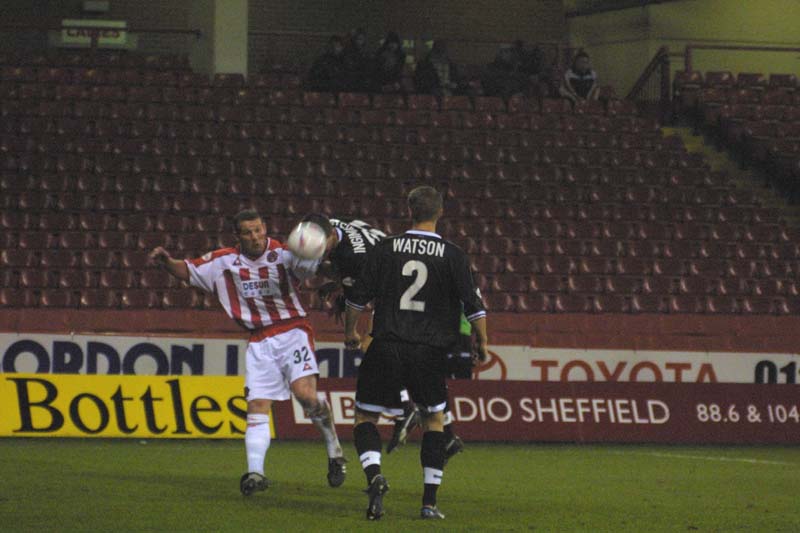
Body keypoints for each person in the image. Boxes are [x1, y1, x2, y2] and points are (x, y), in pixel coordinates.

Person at [148, 209, 347, 496]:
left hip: (292, 330)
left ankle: (334, 450)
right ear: (237, 236)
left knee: (304, 394)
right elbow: (189, 270)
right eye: (248, 232)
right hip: (259, 339)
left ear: (265, 228)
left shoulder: (285, 253)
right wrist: (167, 262)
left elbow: (318, 268)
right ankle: (255, 472)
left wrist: (330, 265)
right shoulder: (222, 261)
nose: (255, 236)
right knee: (257, 405)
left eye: (258, 230)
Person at [344, 186, 489, 521]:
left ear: (409, 211)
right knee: (434, 420)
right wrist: (481, 341)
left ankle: (375, 477)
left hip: (385, 344)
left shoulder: (385, 248)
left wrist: (351, 331)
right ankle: (428, 503)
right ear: (439, 212)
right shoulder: (453, 255)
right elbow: (474, 305)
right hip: (427, 351)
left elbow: (356, 298)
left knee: (366, 418)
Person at [343, 28, 372, 92]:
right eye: (357, 39)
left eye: (361, 39)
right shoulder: (348, 51)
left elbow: (369, 66)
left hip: (363, 81)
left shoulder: (367, 53)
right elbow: (348, 65)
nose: (358, 41)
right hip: (351, 80)